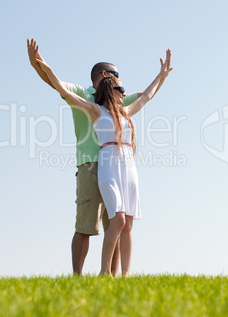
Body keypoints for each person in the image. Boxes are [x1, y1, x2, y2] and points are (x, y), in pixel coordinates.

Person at [35, 49, 172, 276]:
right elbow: (62, 89)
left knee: (125, 224)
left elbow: (146, 96)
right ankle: (102, 272)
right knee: (113, 222)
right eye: (120, 88)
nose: (124, 91)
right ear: (109, 85)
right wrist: (42, 64)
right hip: (105, 164)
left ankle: (121, 276)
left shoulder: (125, 111)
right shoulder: (95, 110)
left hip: (127, 167)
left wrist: (162, 76)